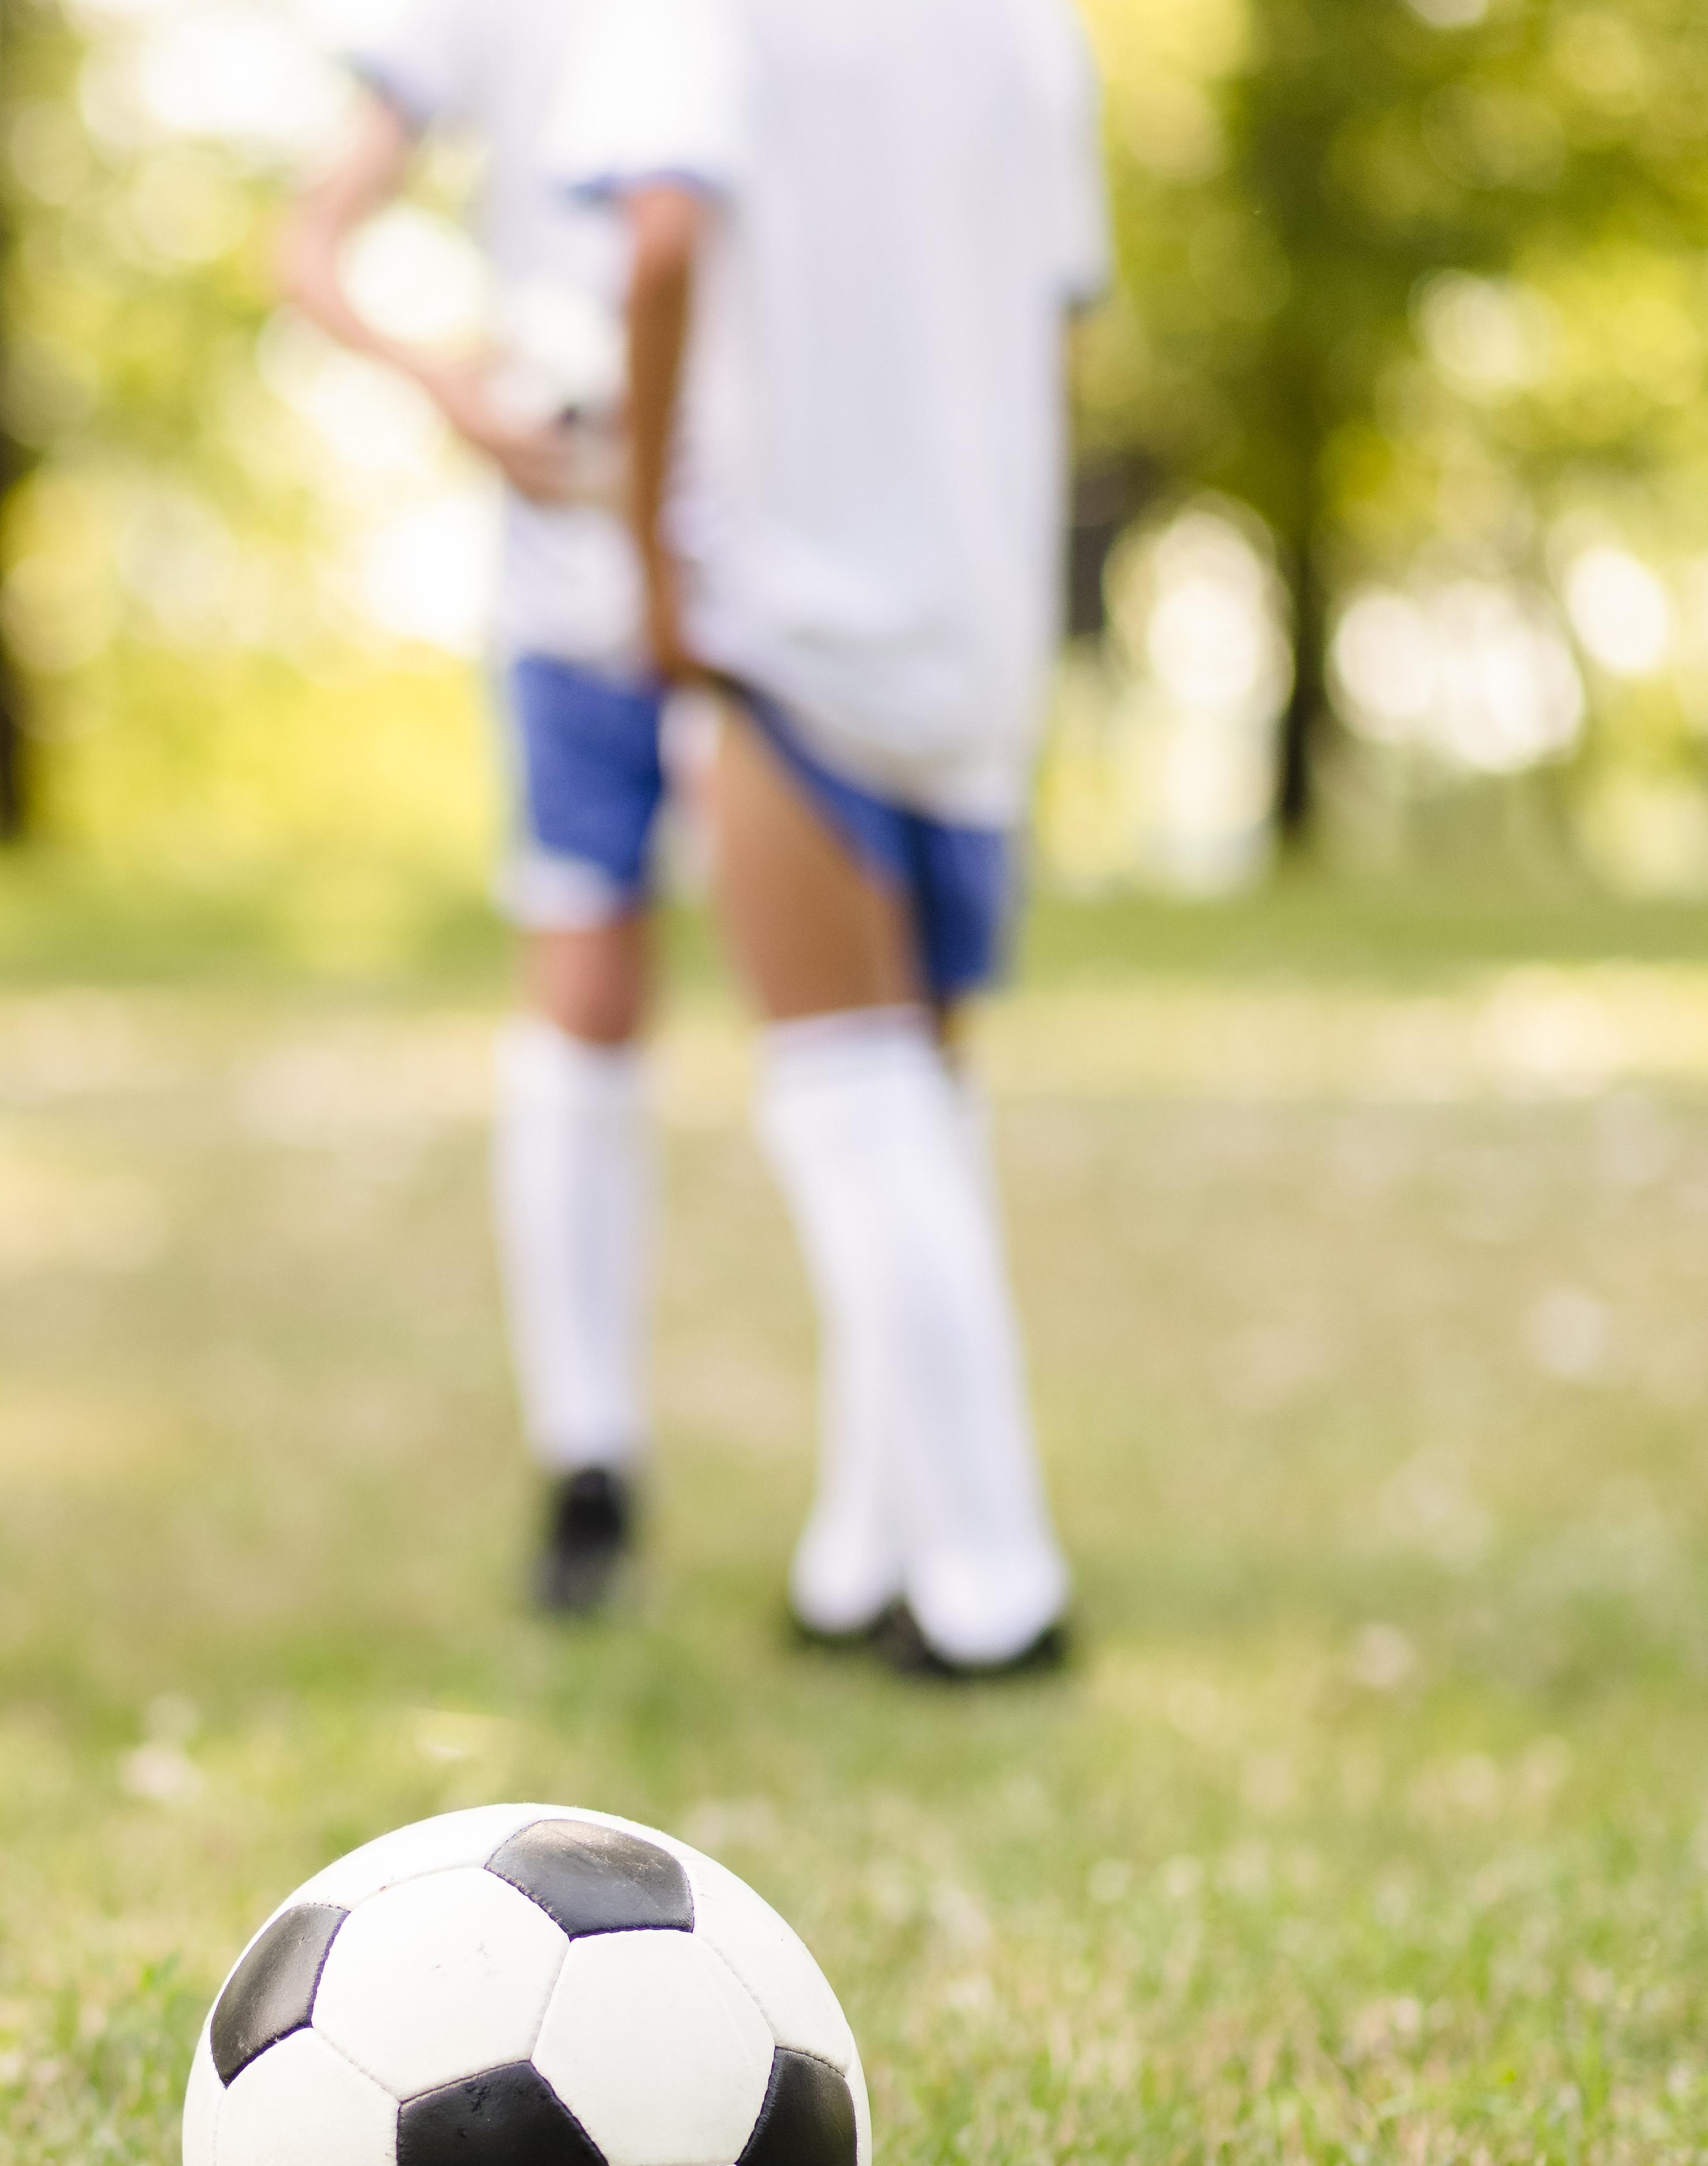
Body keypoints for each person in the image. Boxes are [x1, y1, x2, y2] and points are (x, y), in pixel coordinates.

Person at [551, 0, 1103, 1679]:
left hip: (791, 611)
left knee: (851, 1105)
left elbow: (656, 250)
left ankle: (996, 1582)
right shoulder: (1031, 26)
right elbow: (1055, 312)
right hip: (975, 628)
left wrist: (650, 567)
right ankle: (865, 1557)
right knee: (920, 1102)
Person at [279, 0, 662, 1623]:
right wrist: (450, 384)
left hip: (782, 588)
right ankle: (589, 1462)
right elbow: (309, 241)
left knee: (851, 1040)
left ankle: (894, 1519)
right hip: (578, 593)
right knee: (583, 1005)